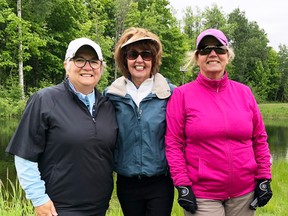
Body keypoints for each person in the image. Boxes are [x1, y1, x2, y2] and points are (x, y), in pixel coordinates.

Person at [165, 28, 272, 216]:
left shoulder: (244, 92)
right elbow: (173, 144)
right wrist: (182, 183)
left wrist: (264, 177)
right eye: (205, 50)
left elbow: (259, 138)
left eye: (219, 49)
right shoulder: (182, 95)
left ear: (227, 55)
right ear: (197, 57)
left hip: (244, 192)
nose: (213, 54)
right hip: (203, 195)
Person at [6, 37, 118, 216]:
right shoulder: (44, 100)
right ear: (66, 65)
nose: (87, 67)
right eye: (79, 60)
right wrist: (38, 199)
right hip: (58, 208)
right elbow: (24, 155)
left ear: (101, 68)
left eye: (94, 61)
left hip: (99, 206)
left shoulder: (108, 106)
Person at [104, 27, 175, 216]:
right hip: (127, 182)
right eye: (133, 54)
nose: (139, 60)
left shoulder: (170, 93)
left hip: (160, 181)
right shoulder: (111, 95)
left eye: (146, 54)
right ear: (124, 59)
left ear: (154, 59)